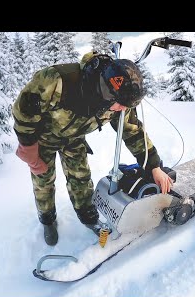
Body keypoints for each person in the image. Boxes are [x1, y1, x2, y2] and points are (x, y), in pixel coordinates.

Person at [12, 51, 173, 246]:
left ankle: (88, 217)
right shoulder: (57, 80)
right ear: (106, 90)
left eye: (126, 105)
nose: (123, 109)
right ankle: (47, 219)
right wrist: (29, 148)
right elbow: (24, 112)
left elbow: (132, 131)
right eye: (121, 105)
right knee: (43, 182)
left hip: (73, 139)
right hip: (43, 139)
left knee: (81, 179)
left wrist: (153, 165)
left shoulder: (120, 98)